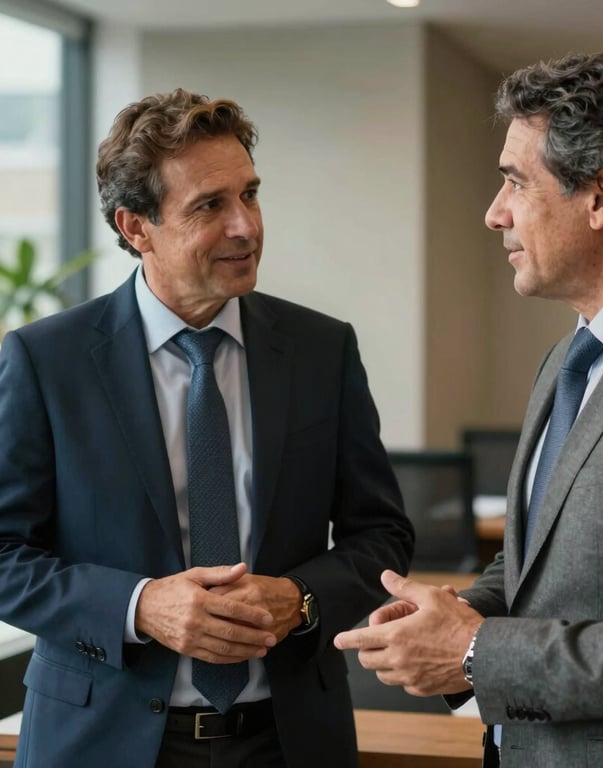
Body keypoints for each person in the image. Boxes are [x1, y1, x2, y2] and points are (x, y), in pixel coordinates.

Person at [335, 52, 603, 767]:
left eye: (515, 182)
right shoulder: (571, 357)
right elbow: (539, 562)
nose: (494, 213)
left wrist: (473, 650)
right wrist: (455, 615)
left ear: (600, 197)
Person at [0, 88, 414, 768]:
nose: (245, 226)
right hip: (99, 742)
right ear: (136, 227)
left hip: (289, 741)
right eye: (209, 206)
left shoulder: (321, 350)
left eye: (249, 195)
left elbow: (383, 535)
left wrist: (299, 598)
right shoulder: (48, 360)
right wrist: (139, 606)